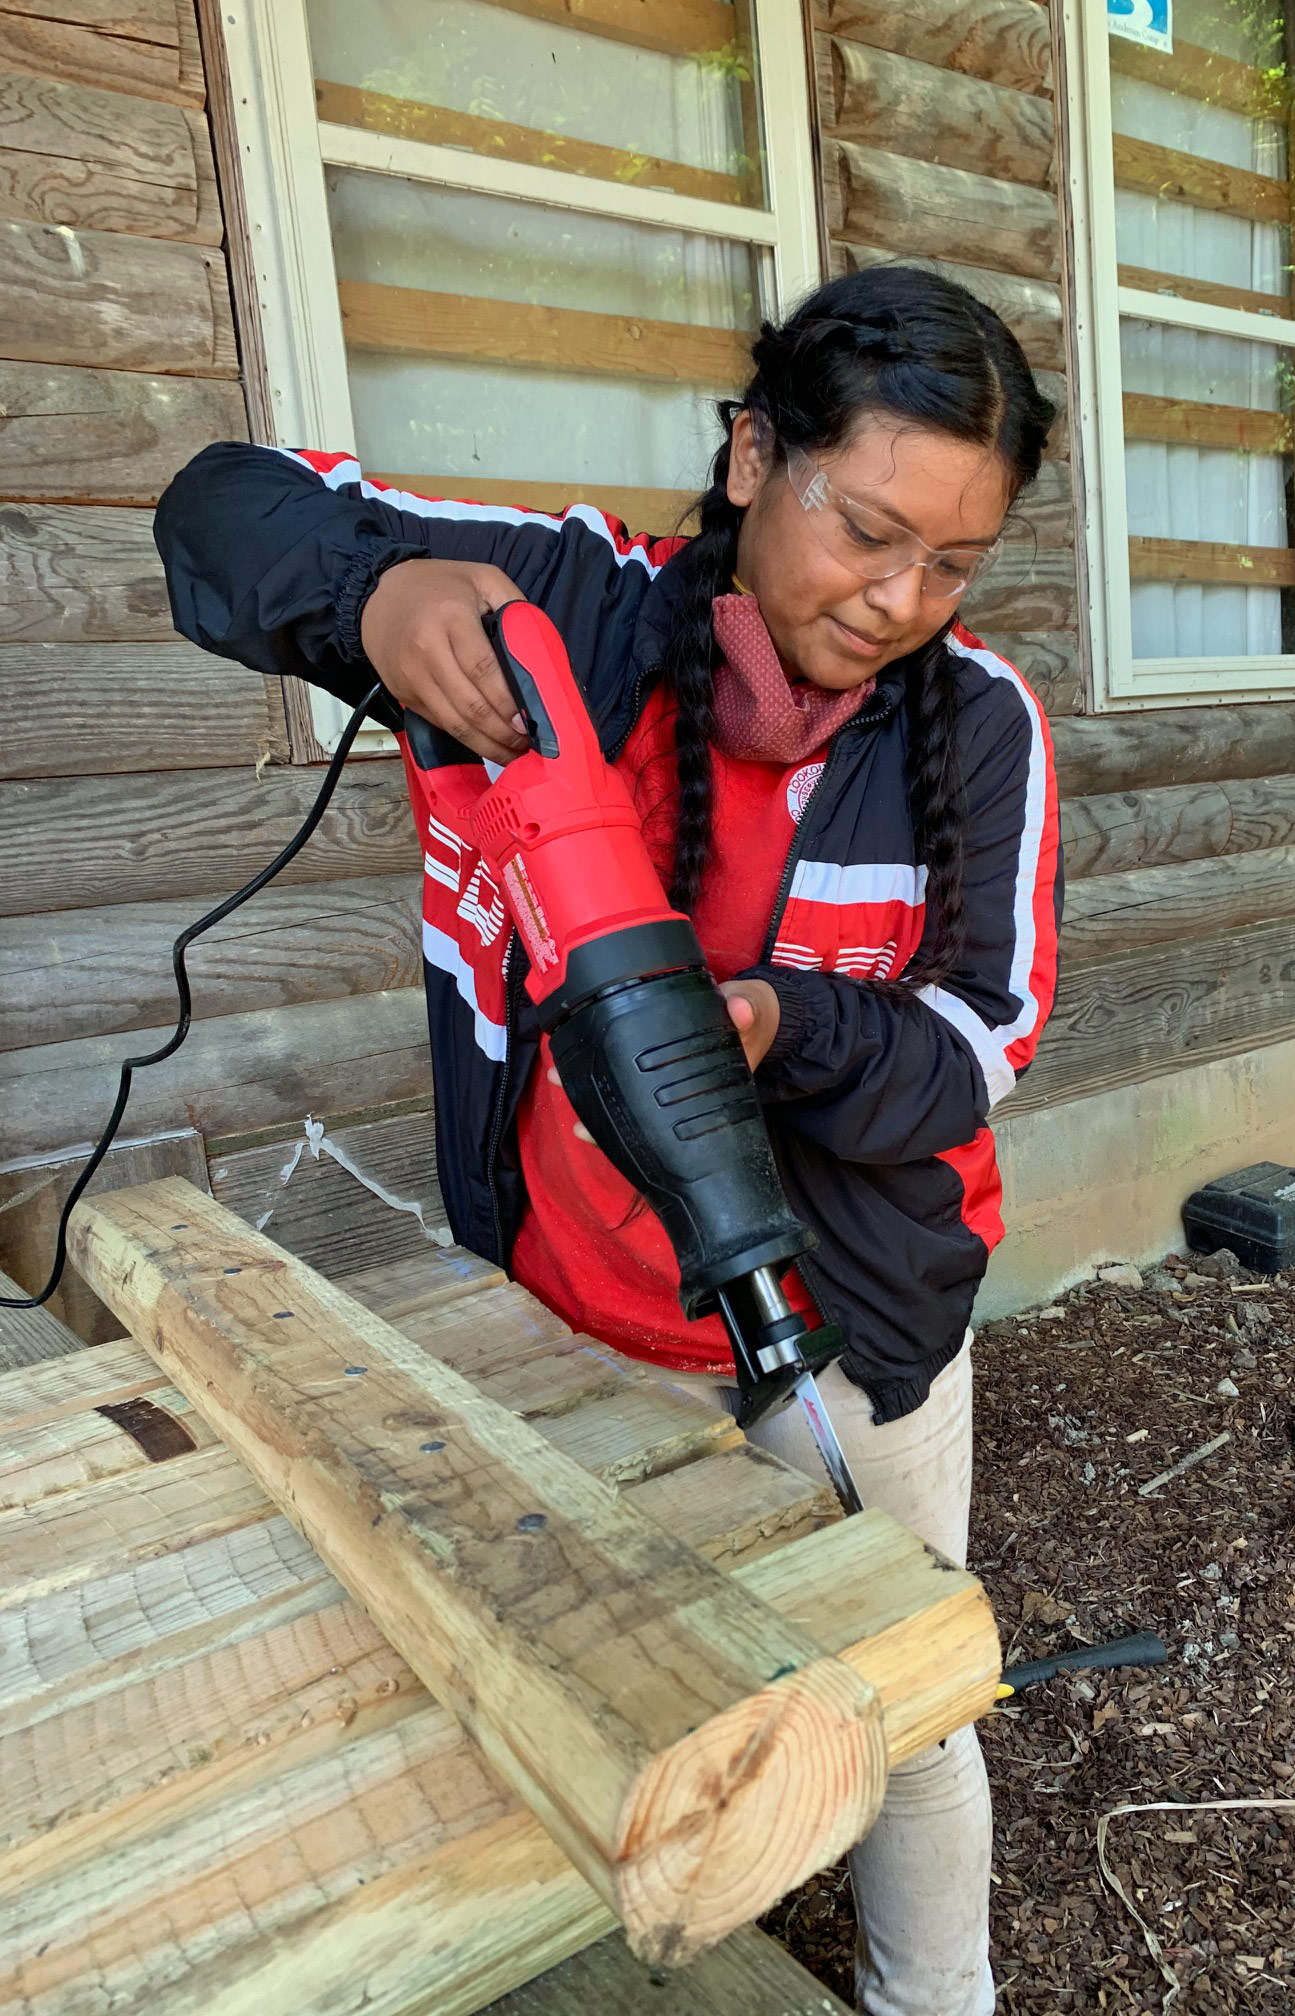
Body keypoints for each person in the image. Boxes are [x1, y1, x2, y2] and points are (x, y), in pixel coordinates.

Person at [155, 264, 1062, 2016]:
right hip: (569, 1311)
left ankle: (932, 1997)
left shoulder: (979, 725)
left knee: (903, 1704)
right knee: (603, 1698)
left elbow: (983, 1040)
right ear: (752, 457)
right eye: (869, 531)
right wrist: (380, 593)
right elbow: (220, 504)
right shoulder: (563, 603)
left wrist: (779, 1024)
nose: (899, 601)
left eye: (954, 564)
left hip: (855, 1328)